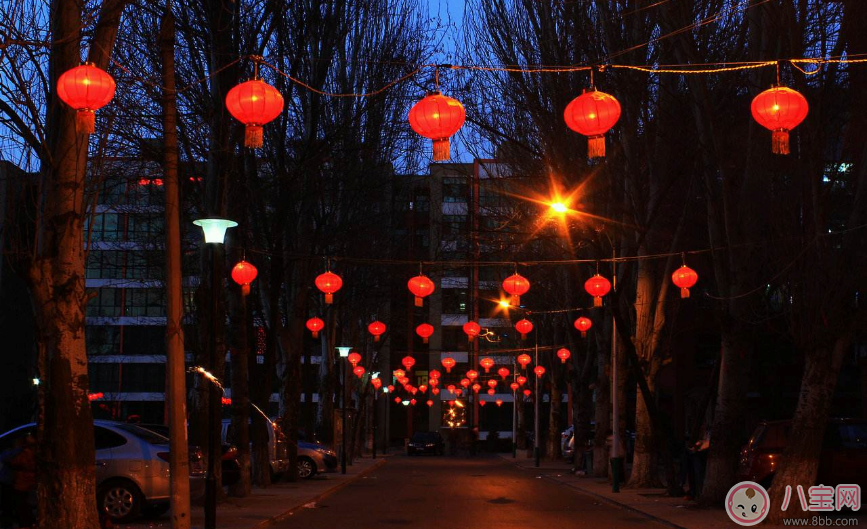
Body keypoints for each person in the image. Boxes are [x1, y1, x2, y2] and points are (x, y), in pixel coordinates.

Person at [10, 434, 36, 529]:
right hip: (27, 484)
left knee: (23, 507)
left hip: (23, 485)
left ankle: (26, 525)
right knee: (25, 507)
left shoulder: (26, 453)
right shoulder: (29, 452)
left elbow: (13, 461)